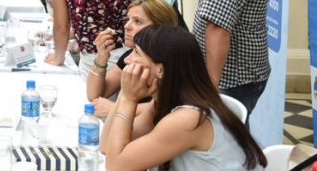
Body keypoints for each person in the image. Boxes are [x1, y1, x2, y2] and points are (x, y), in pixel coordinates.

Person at [100, 25, 268, 171]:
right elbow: (107, 146)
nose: (128, 59)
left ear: (161, 69)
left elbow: (117, 166)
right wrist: (126, 93)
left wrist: (130, 98)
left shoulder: (188, 118)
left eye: (136, 53)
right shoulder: (167, 103)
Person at [87, 0, 179, 117]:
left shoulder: (171, 59)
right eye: (128, 19)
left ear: (159, 28)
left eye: (137, 21)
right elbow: (95, 95)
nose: (126, 26)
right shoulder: (130, 55)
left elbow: (170, 107)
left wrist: (117, 108)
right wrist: (101, 56)